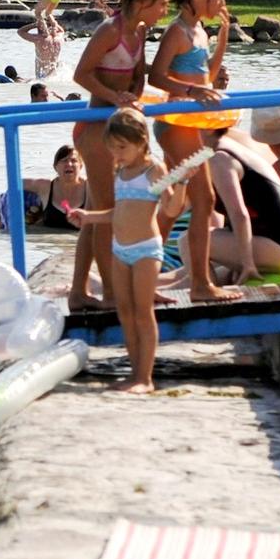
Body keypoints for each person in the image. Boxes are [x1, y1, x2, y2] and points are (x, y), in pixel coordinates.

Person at [70, 0, 173, 311]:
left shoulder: (140, 31)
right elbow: (80, 74)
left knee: (102, 211)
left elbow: (138, 78)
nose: (164, 10)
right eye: (161, 3)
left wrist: (133, 100)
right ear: (142, 1)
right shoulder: (109, 30)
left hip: (120, 128)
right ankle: (112, 294)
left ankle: (79, 291)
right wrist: (115, 98)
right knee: (107, 211)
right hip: (96, 128)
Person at [67, 109, 188, 394]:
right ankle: (135, 374)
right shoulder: (121, 171)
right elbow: (118, 213)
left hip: (146, 250)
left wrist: (181, 184)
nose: (117, 154)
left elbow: (171, 209)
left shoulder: (153, 170)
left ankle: (145, 379)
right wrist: (89, 216)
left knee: (143, 313)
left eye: (122, 148)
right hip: (120, 250)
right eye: (113, 149)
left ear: (142, 141)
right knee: (125, 313)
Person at [147, 0, 238, 304]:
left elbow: (209, 78)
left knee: (175, 203)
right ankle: (200, 283)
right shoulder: (177, 31)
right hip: (175, 126)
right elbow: (155, 77)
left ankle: (147, 276)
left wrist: (224, 37)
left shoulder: (199, 30)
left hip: (190, 125)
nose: (221, 5)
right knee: (204, 199)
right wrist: (190, 92)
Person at [199, 127, 280, 282]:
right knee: (182, 274)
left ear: (208, 129)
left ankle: (205, 291)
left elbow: (239, 214)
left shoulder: (220, 159)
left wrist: (247, 264)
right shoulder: (223, 148)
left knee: (190, 240)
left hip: (279, 248)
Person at [0, 144, 90, 233]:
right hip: (49, 245)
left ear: (81, 166)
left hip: (78, 242)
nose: (69, 164)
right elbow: (13, 186)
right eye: (64, 160)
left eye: (74, 160)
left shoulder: (90, 187)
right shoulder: (45, 186)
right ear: (55, 167)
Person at [17, 14, 65, 80]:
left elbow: (20, 31)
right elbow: (61, 30)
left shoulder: (38, 39)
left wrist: (35, 24)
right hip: (55, 74)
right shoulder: (58, 38)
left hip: (42, 75)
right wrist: (53, 23)